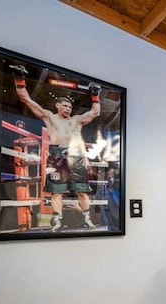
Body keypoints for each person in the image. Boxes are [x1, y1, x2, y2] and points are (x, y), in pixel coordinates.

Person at [11, 64, 101, 232]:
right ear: (57, 106)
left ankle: (88, 220)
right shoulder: (50, 117)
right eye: (65, 106)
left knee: (82, 192)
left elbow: (95, 112)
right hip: (57, 155)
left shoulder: (76, 120)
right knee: (57, 193)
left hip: (76, 156)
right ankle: (57, 221)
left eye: (70, 107)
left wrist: (95, 95)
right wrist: (19, 78)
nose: (68, 109)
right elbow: (26, 99)